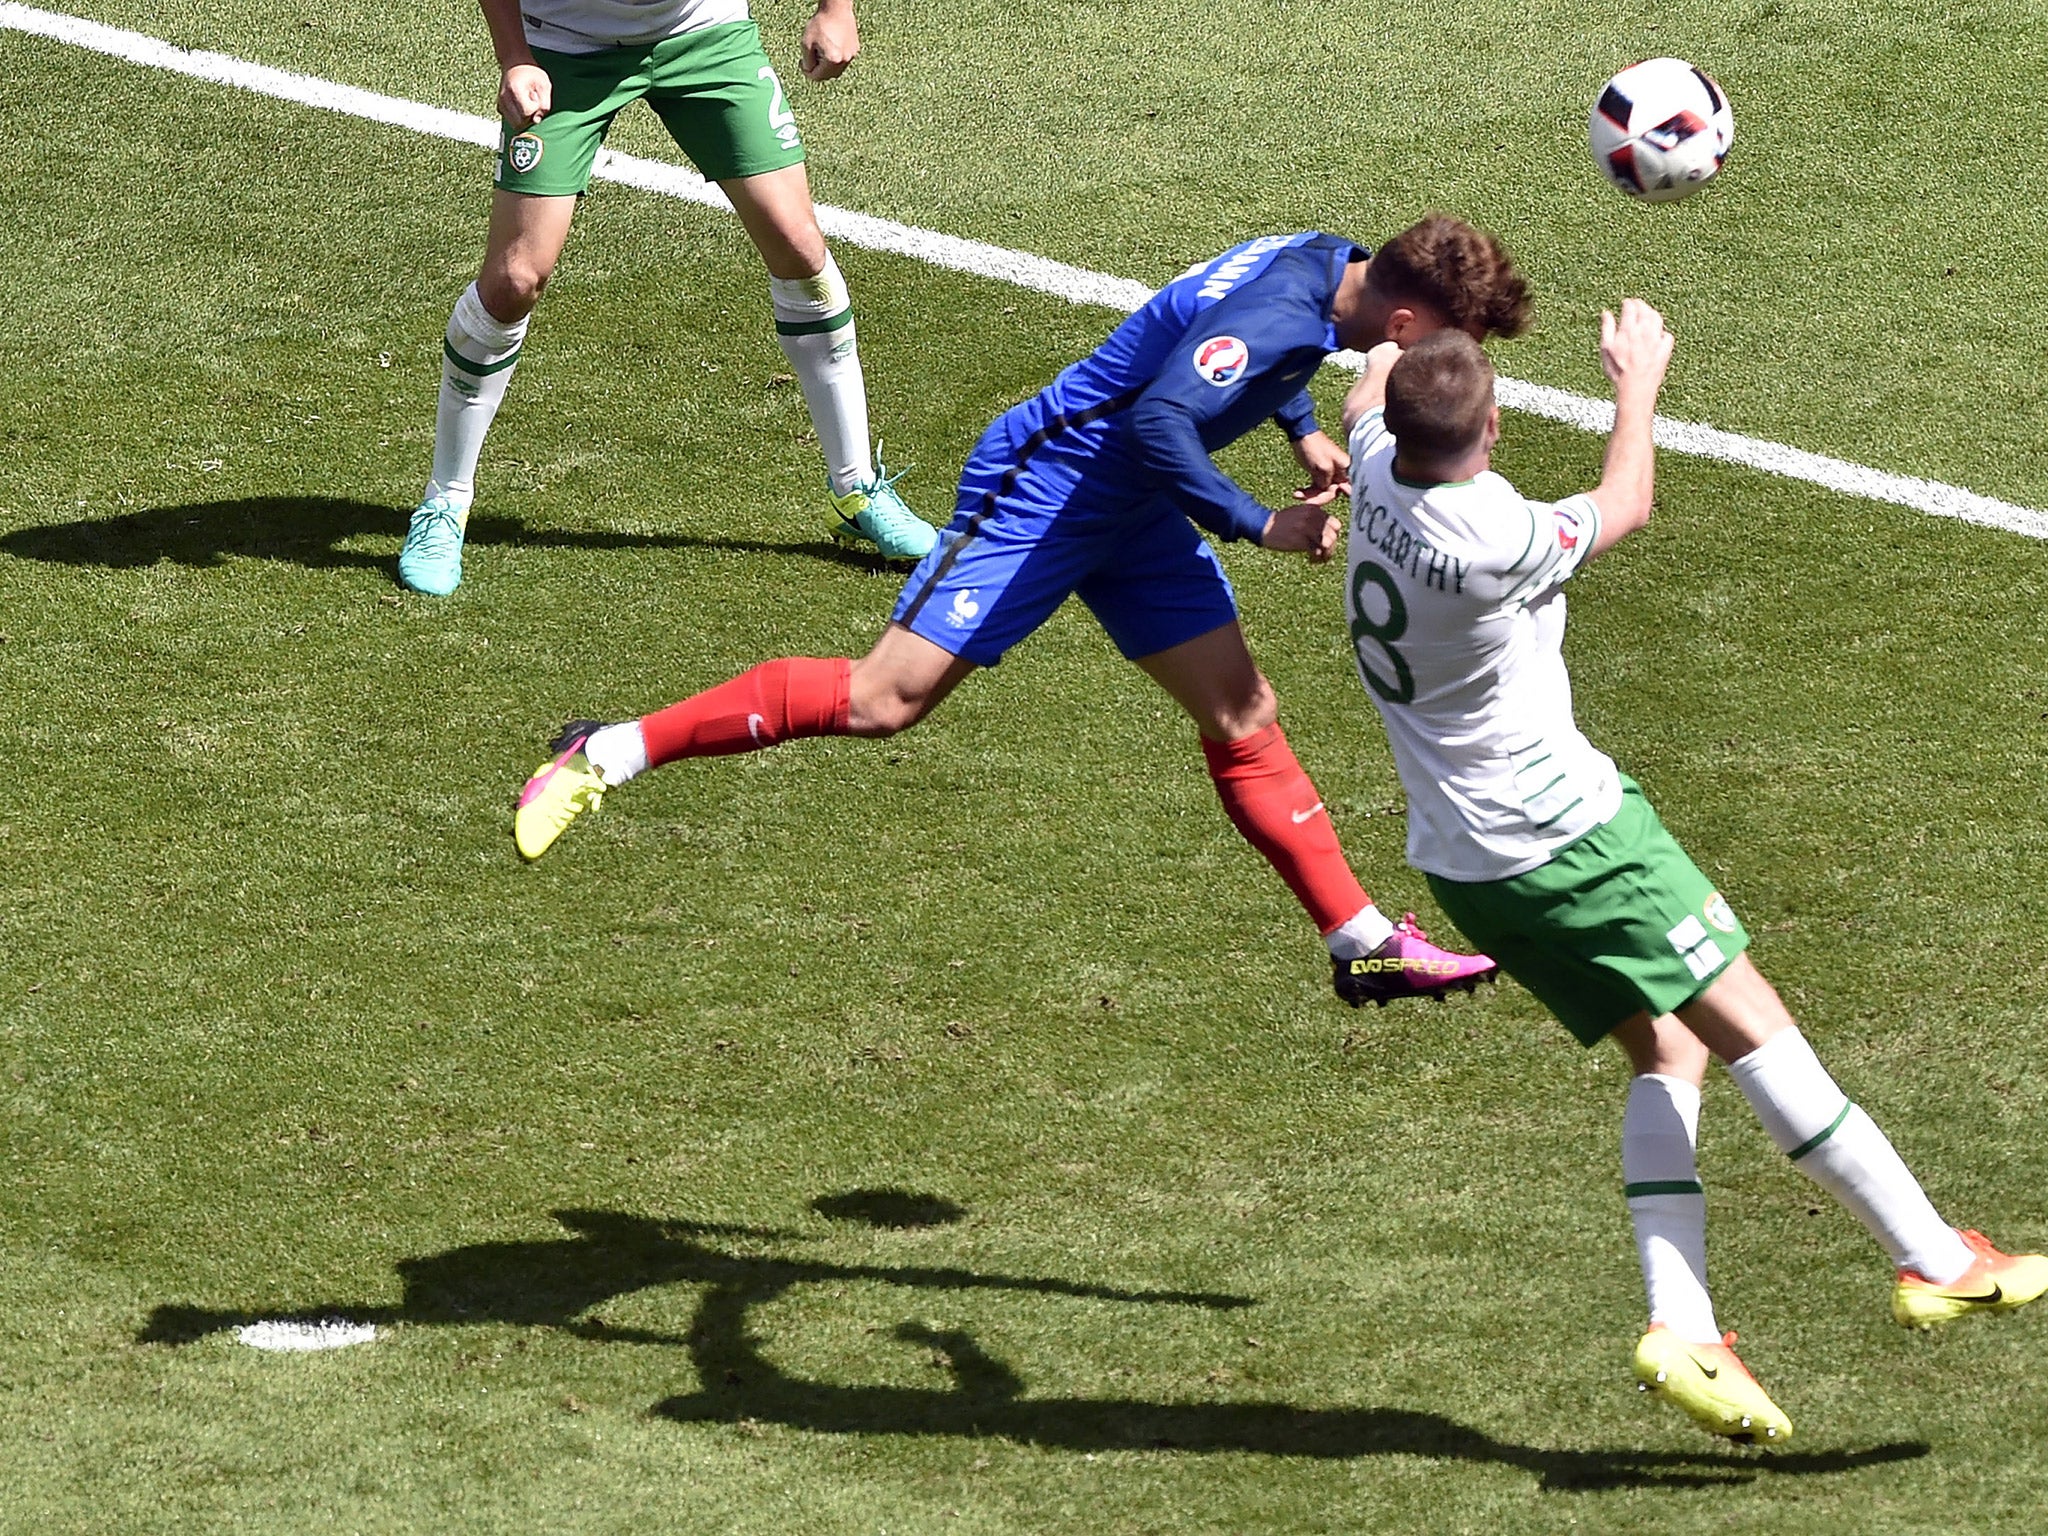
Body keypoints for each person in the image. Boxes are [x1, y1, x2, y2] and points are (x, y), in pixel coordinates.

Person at [1334, 308, 2048, 1441]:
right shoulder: (1492, 532)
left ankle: (1687, 1328)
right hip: (1572, 843)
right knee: (1754, 1029)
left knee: (1665, 1053)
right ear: (1495, 427)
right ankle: (1931, 1256)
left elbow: (1368, 384)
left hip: (1462, 865)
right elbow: (1624, 505)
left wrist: (1388, 355)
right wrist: (1635, 384)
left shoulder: (1374, 465)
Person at [515, 219, 1533, 1005]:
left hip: (1132, 500)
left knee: (1239, 712)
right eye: (1446, 347)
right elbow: (1162, 412)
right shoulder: (1283, 313)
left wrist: (1299, 428)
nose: (1446, 371)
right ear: (1401, 326)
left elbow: (1229, 349)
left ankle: (1359, 948)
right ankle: (603, 753)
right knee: (883, 700)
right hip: (1054, 484)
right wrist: (1251, 521)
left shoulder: (1328, 263)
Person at [399, 0, 937, 596]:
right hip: (564, 47)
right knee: (514, 280)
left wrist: (836, 9)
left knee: (799, 247)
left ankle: (858, 486)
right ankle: (444, 503)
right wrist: (514, 55)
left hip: (703, 32)